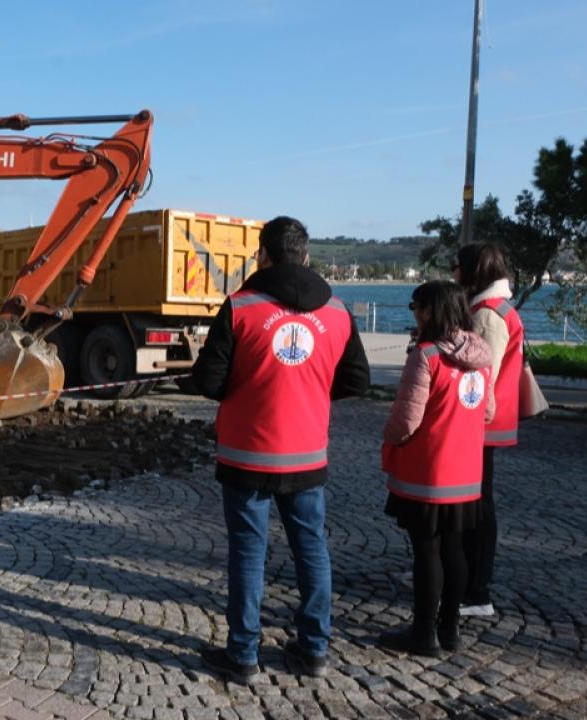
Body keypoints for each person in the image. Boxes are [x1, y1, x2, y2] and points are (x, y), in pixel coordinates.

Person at [191, 216, 370, 682]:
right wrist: (309, 392)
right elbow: (358, 380)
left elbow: (208, 381)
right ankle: (313, 649)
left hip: (246, 453)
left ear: (262, 256)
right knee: (312, 548)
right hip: (308, 454)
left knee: (248, 553)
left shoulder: (241, 307)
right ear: (306, 257)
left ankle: (243, 655)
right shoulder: (336, 311)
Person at [378, 281, 493, 657]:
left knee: (427, 550)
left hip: (428, 471)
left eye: (415, 306)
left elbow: (406, 421)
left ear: (428, 311)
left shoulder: (426, 355)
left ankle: (423, 633)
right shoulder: (482, 356)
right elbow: (488, 411)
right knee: (455, 549)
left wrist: (389, 437)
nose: (414, 313)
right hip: (466, 471)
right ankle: (450, 629)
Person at [454, 243, 524, 618]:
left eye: (458, 267)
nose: (453, 273)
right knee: (478, 503)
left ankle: (474, 590)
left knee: (477, 507)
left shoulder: (487, 315)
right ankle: (467, 582)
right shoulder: (499, 308)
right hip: (492, 423)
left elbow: (481, 373)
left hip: (482, 425)